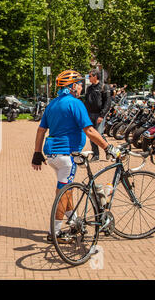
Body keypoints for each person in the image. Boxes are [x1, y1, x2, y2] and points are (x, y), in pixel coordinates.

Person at [31, 70, 119, 243]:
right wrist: (108, 147)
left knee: (67, 189)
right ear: (72, 87)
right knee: (62, 194)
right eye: (78, 84)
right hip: (66, 156)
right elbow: (89, 130)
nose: (80, 87)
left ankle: (74, 221)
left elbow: (41, 130)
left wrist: (36, 152)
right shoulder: (75, 104)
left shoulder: (53, 104)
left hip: (52, 155)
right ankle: (55, 233)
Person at [84, 69, 111, 161]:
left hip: (99, 114)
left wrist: (102, 115)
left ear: (95, 76)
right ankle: (96, 155)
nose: (89, 78)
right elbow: (86, 101)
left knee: (99, 134)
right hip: (90, 114)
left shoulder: (104, 87)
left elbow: (108, 102)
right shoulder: (89, 88)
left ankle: (109, 150)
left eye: (90, 76)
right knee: (92, 134)